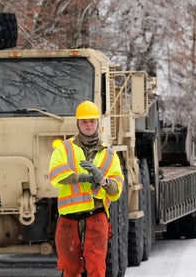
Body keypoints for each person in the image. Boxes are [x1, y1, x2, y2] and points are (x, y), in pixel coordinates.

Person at [47, 100, 124, 277]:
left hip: (96, 216)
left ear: (98, 123)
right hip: (69, 218)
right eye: (84, 121)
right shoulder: (64, 149)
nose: (88, 125)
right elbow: (55, 175)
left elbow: (116, 191)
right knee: (69, 268)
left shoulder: (110, 154)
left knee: (96, 268)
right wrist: (84, 177)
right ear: (78, 124)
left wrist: (103, 180)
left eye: (91, 121)